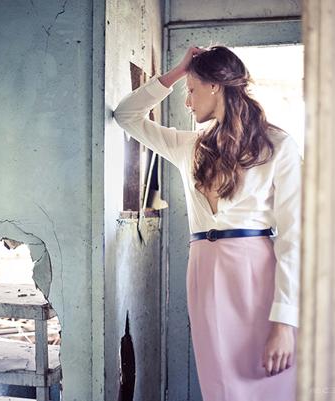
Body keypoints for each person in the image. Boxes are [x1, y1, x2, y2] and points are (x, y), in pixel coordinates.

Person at [113, 45, 302, 400]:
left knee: (270, 383)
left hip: (256, 274)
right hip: (204, 271)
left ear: (215, 86)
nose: (187, 102)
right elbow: (127, 115)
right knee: (220, 386)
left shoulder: (278, 146)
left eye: (191, 89)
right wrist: (178, 72)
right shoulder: (188, 147)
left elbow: (296, 237)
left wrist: (284, 322)